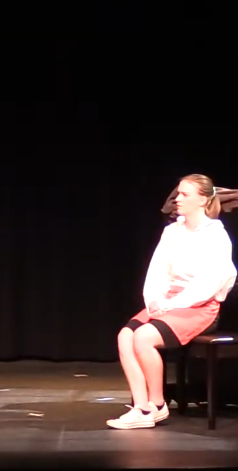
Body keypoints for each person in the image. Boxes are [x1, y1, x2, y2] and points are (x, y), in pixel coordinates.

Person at [107, 174, 236, 430]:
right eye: (178, 193)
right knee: (125, 336)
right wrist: (154, 299)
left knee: (143, 337)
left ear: (202, 200)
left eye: (185, 194)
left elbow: (211, 282)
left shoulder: (215, 235)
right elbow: (157, 270)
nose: (177, 199)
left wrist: (176, 303)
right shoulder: (172, 231)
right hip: (168, 301)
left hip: (199, 306)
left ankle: (156, 404)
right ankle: (141, 407)